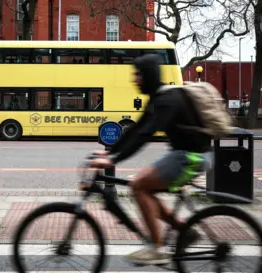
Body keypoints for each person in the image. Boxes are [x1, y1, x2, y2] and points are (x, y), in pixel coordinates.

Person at [89, 54, 213, 265]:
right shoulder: (159, 98)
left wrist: (113, 160)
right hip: (186, 154)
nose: (134, 79)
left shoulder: (166, 100)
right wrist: (109, 154)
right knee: (147, 188)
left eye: (137, 74)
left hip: (192, 157)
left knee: (139, 186)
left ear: (148, 75)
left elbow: (145, 134)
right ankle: (185, 231)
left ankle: (156, 248)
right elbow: (135, 130)